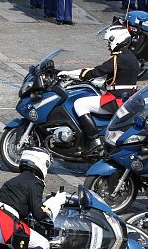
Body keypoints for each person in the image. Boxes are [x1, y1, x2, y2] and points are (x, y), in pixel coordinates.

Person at [58, 25, 141, 153]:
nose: (108, 45)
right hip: (127, 98)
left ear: (117, 39)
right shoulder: (130, 56)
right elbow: (118, 78)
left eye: (109, 41)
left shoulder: (118, 59)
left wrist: (69, 73)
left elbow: (96, 71)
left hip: (116, 100)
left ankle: (93, 140)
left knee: (80, 103)